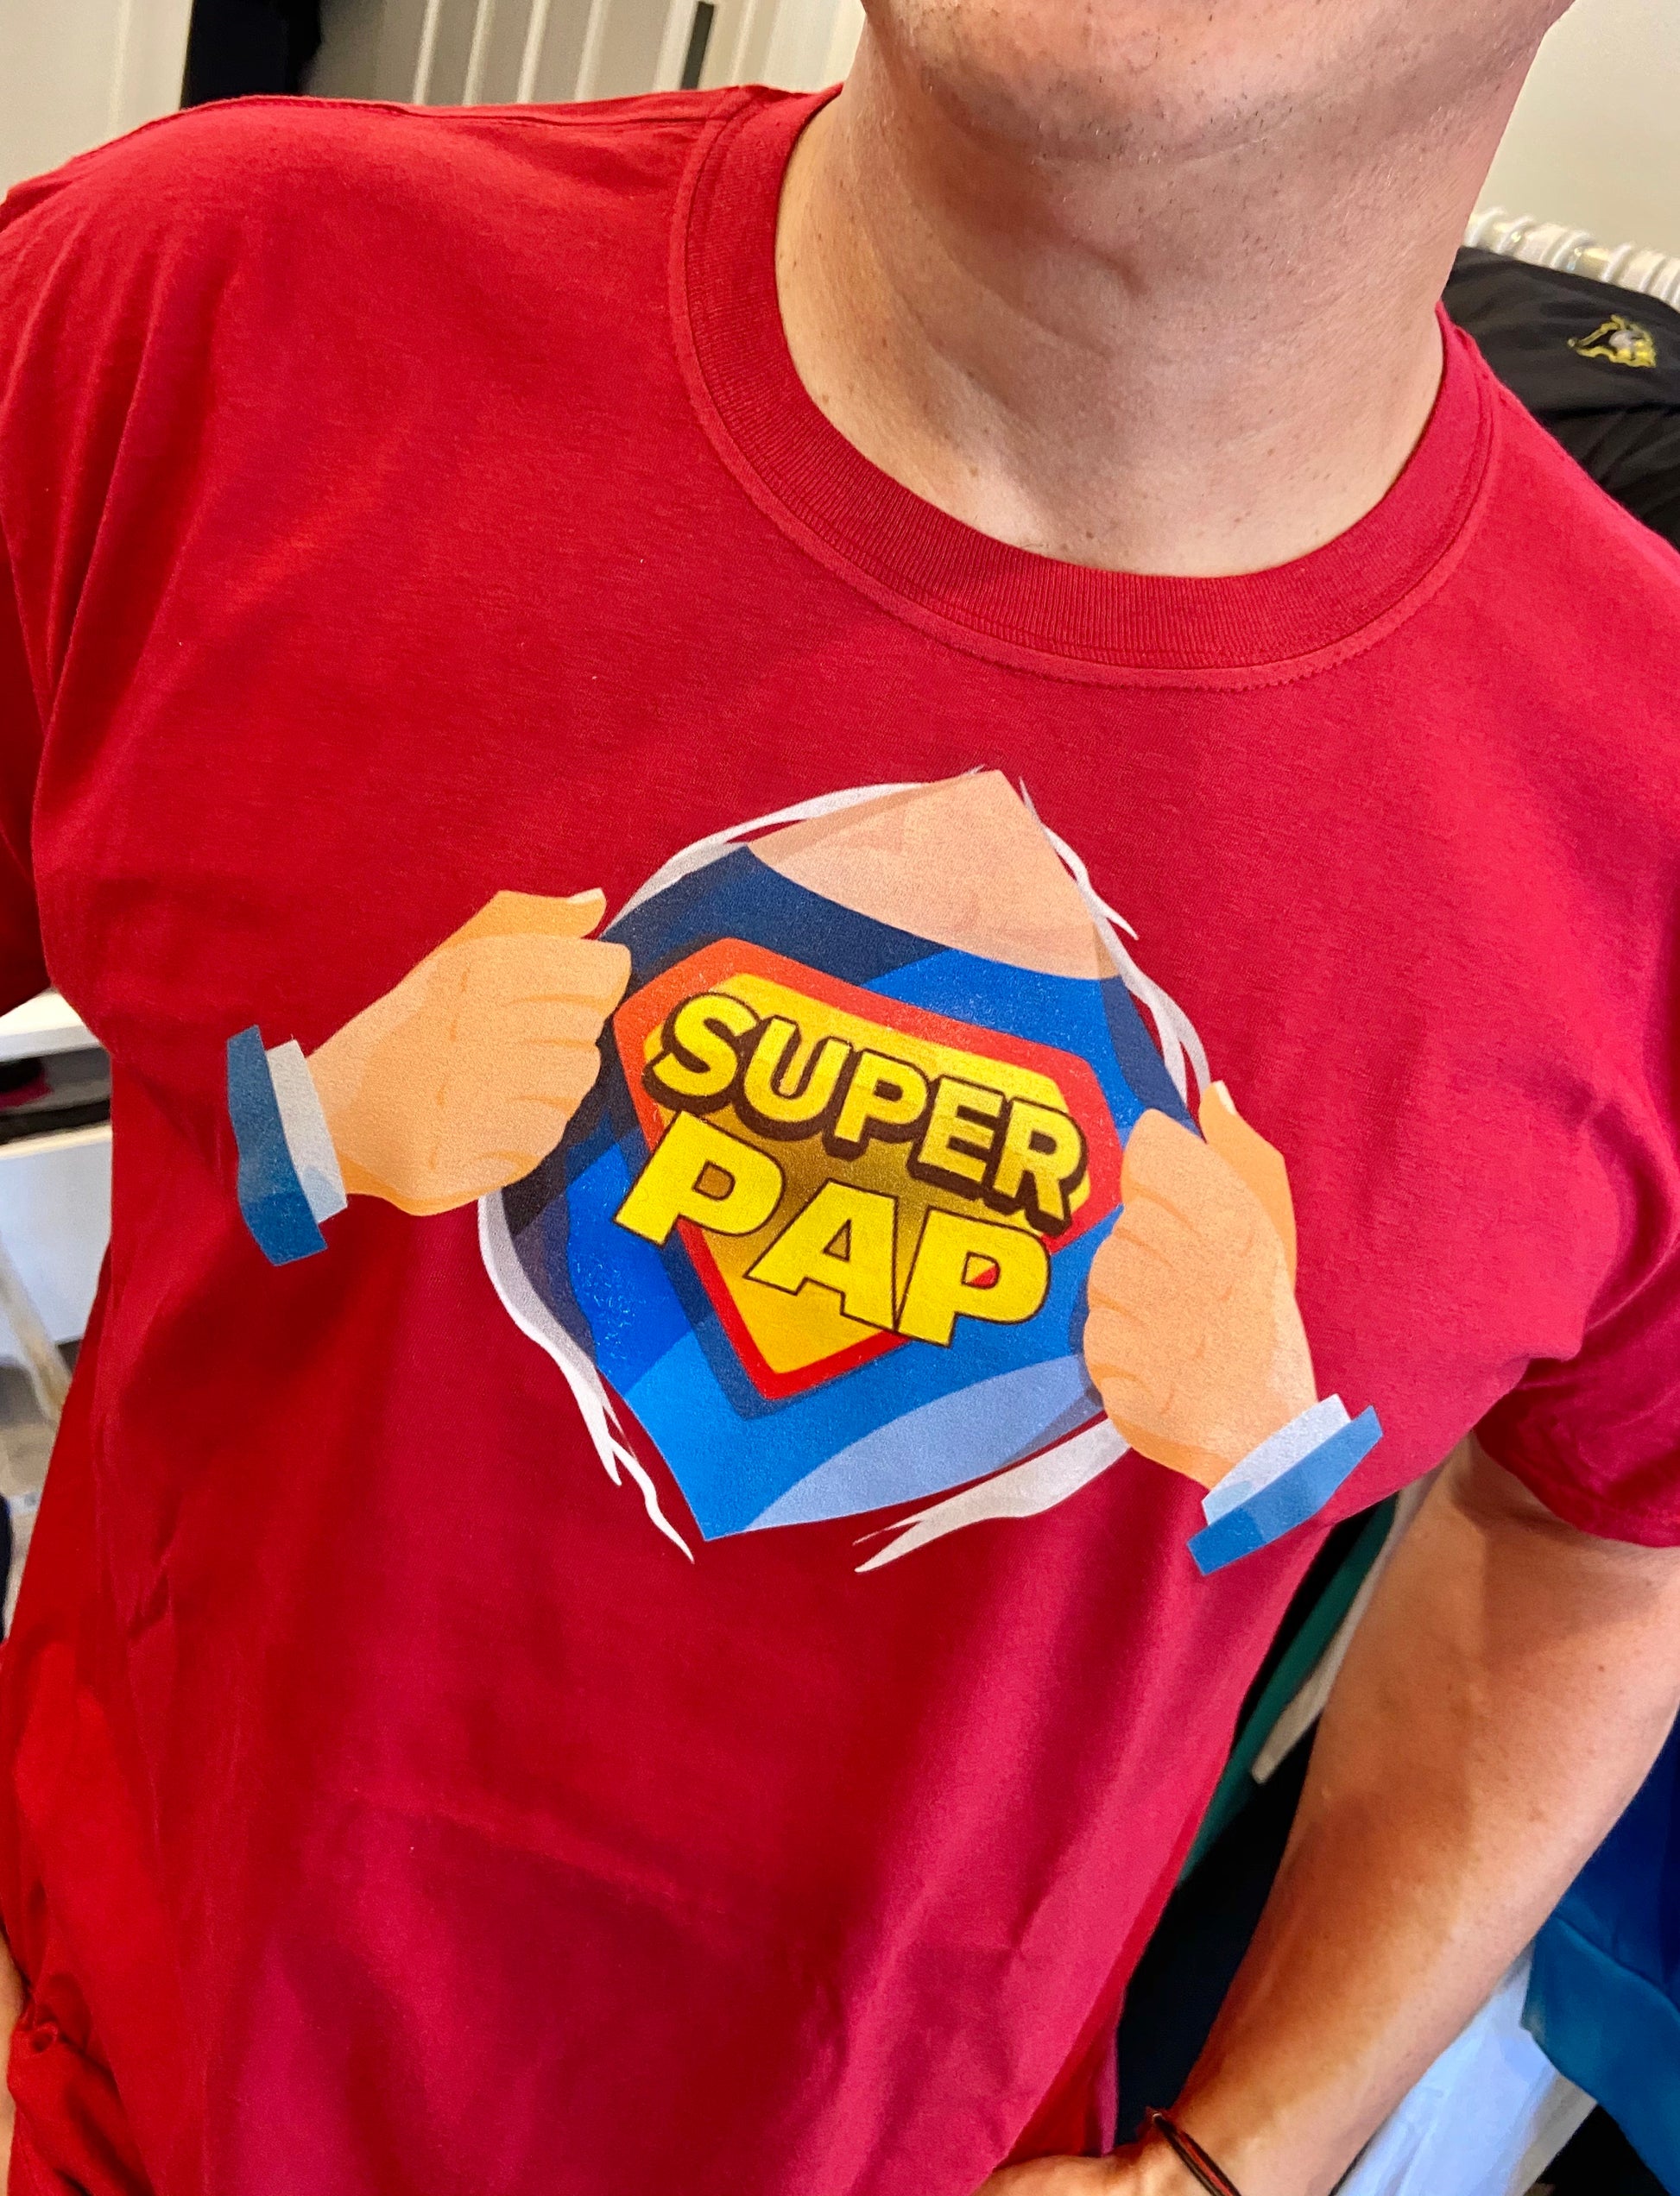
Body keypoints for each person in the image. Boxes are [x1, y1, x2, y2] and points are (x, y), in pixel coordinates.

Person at [0, 5, 1677, 2194]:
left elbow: (1604, 1529)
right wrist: (320, 1133)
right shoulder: (194, 312)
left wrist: (1245, 2155)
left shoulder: (1642, 808)